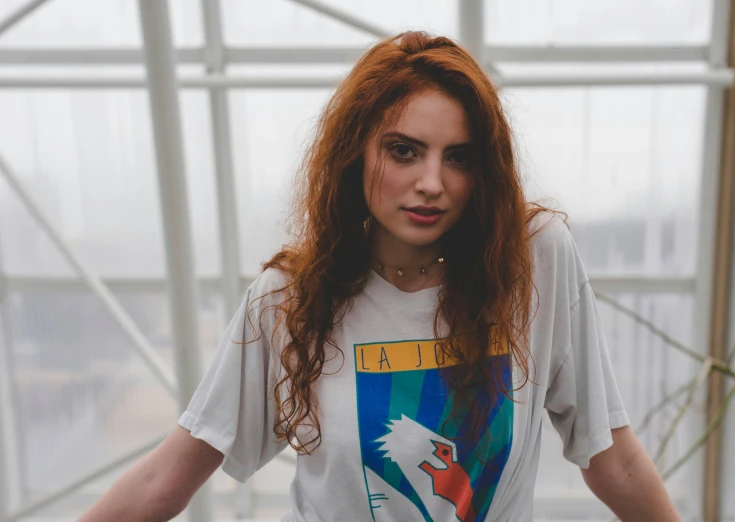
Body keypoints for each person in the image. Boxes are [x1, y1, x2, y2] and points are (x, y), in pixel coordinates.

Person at [78, 31, 679, 522]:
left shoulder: (535, 259)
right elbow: (171, 473)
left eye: (459, 157)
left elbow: (610, 455)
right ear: (355, 152)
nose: (432, 183)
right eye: (404, 150)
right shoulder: (289, 298)